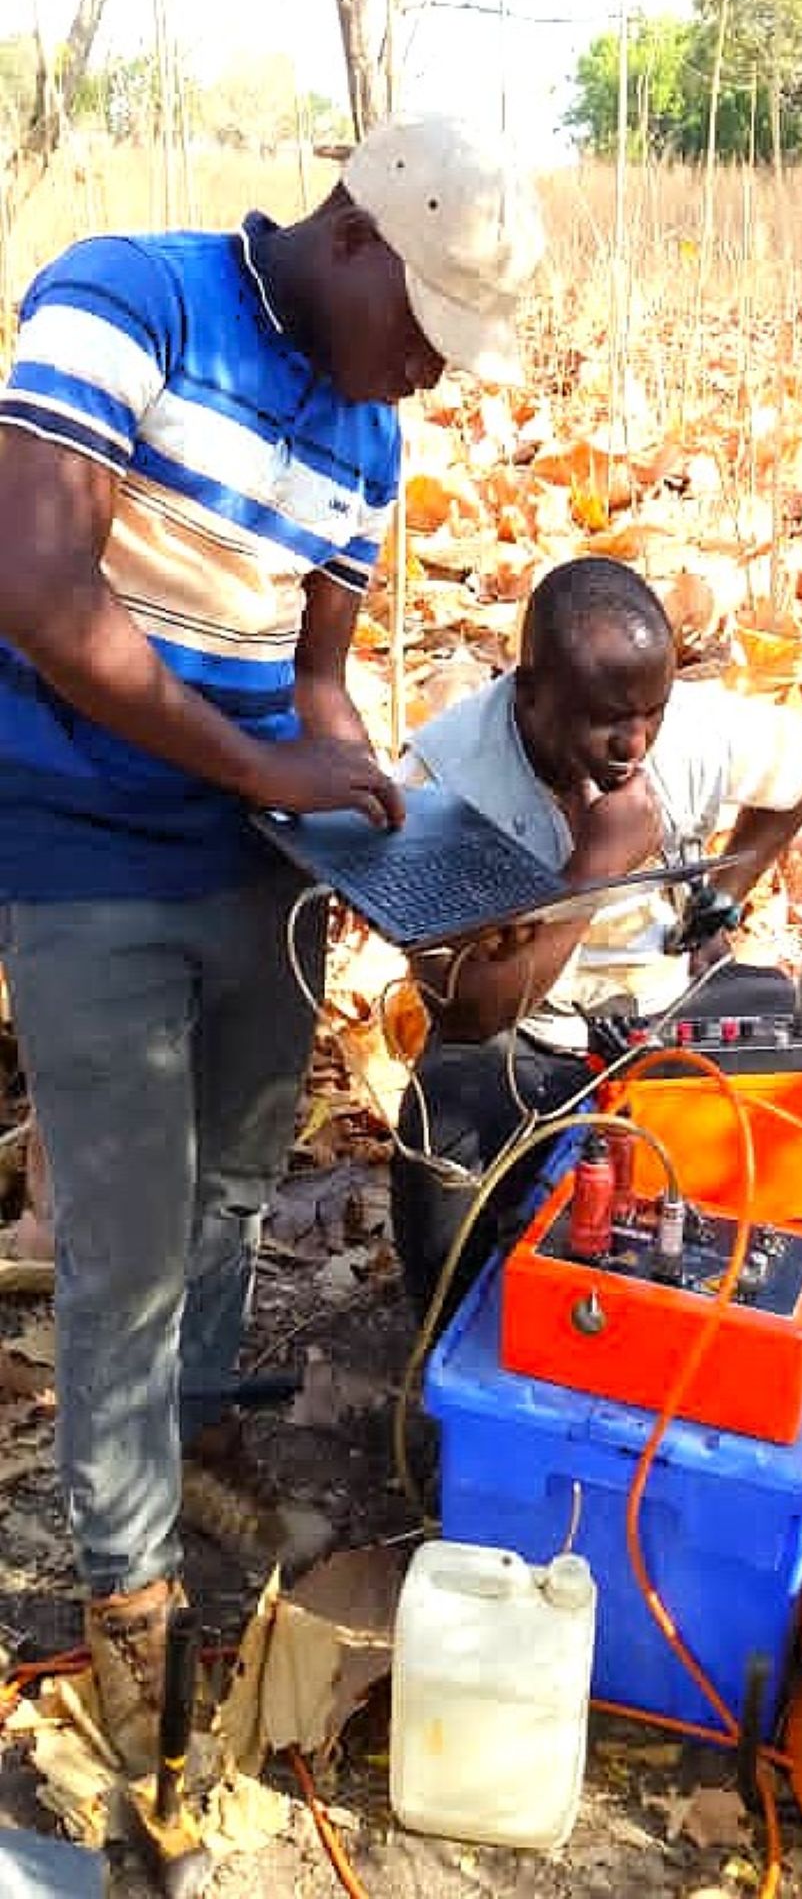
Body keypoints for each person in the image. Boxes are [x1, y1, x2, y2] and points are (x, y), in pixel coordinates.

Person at [0, 112, 544, 1772]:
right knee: (125, 1248)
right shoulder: (131, 301)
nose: (428, 375)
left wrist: (370, 809)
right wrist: (258, 771)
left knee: (235, 1180)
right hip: (88, 858)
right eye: (424, 331)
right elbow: (33, 584)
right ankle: (125, 1593)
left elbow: (315, 677)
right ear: (357, 234)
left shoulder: (367, 440)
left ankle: (187, 1439)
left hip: (264, 868)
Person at [390, 555, 802, 1326]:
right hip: (525, 1035)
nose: (636, 742)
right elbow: (468, 1012)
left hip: (670, 1000)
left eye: (651, 712)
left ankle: (800, 1300)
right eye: (607, 720)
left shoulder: (691, 728)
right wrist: (596, 869)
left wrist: (724, 897)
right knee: (440, 1173)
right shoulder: (439, 781)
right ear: (530, 692)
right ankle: (475, 1358)